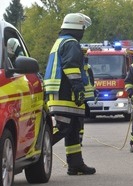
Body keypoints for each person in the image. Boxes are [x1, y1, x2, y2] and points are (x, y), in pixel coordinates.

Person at [44, 13, 96, 175]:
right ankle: (38, 149)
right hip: (65, 94)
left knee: (73, 129)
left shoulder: (62, 41)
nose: (83, 32)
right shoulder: (71, 43)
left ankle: (75, 164)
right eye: (83, 28)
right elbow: (71, 68)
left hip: (62, 93)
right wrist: (78, 89)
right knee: (63, 127)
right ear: (77, 27)